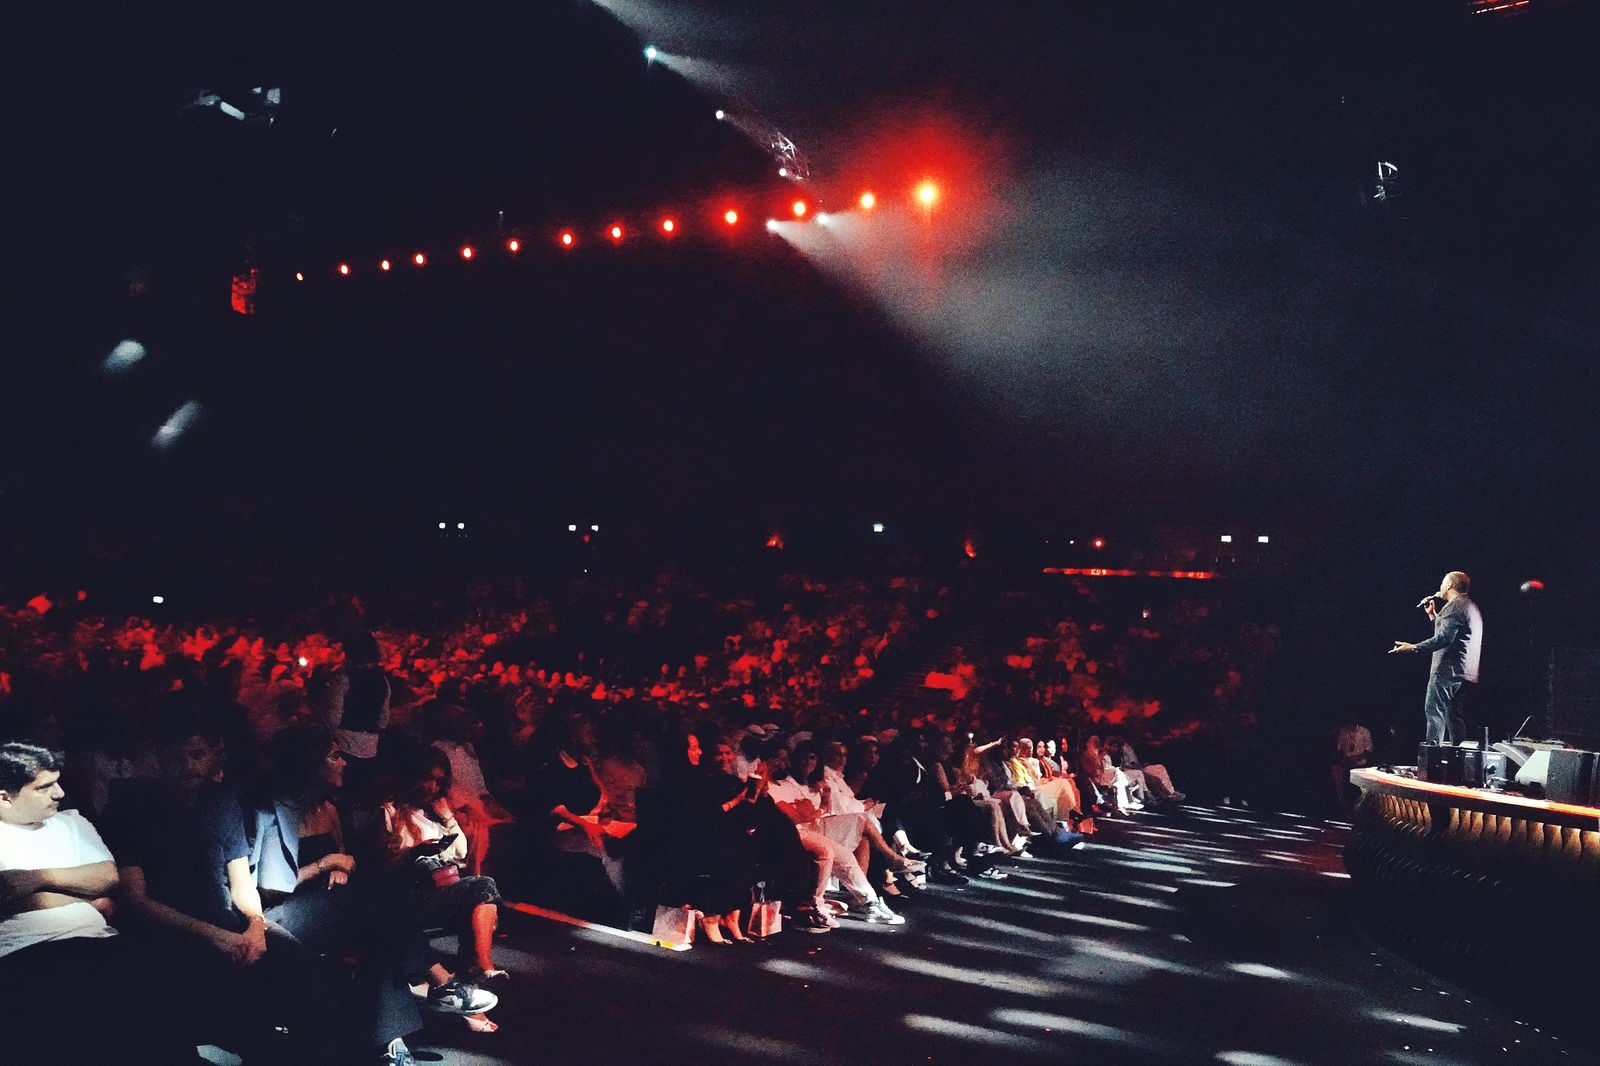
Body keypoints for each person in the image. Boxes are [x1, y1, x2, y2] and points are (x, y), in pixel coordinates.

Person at [0, 740, 191, 1064]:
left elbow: (107, 877)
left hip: (101, 943)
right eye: (44, 787)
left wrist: (36, 879)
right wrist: (84, 898)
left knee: (154, 1001)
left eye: (57, 782)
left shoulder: (71, 822)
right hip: (24, 952)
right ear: (5, 797)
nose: (59, 793)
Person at [1391, 571, 1481, 744]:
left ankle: (1432, 756)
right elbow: (1451, 633)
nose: (1440, 587)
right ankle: (1458, 757)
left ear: (1449, 585)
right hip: (1464, 672)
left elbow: (1444, 638)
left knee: (1434, 711)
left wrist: (1413, 647)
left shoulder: (1454, 606)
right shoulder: (1469, 606)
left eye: (1442, 583)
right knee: (1454, 717)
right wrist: (1433, 615)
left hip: (1446, 671)